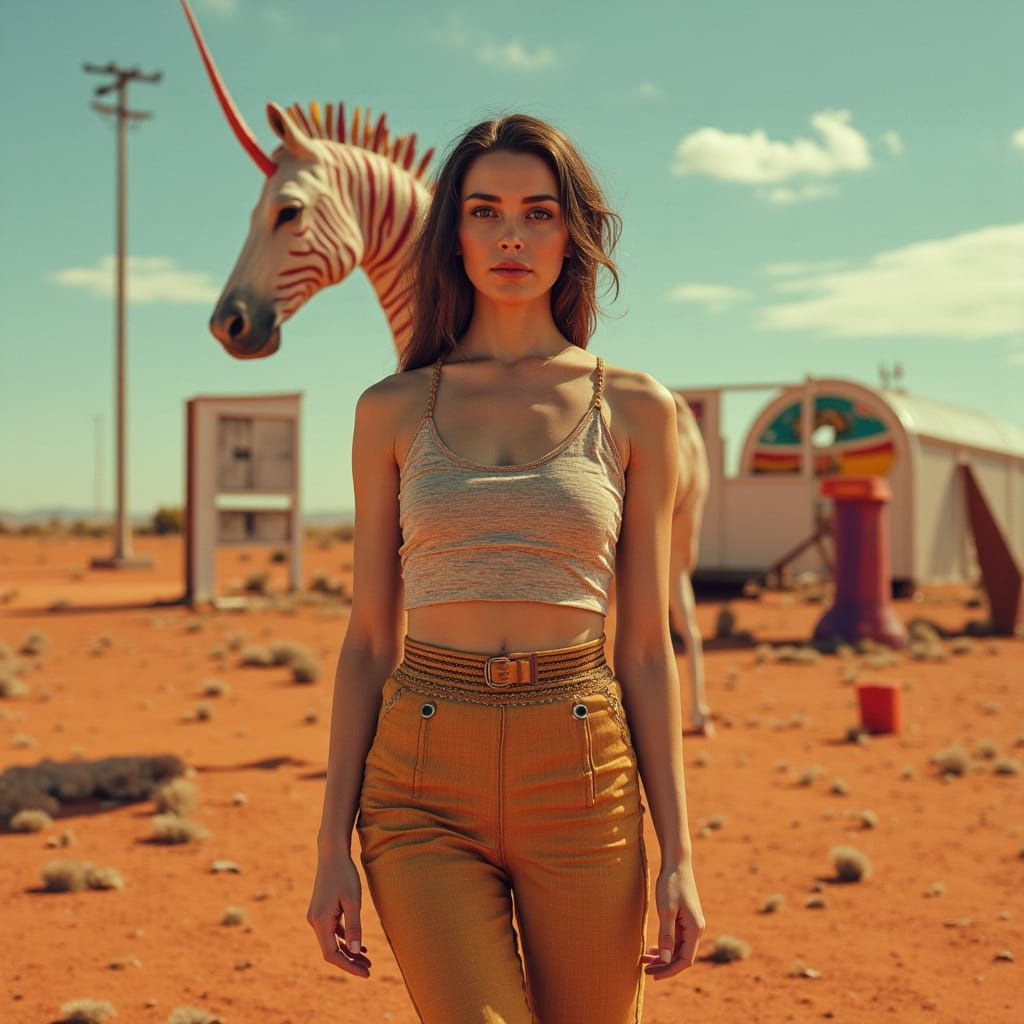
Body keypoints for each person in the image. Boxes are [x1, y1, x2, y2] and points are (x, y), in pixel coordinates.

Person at [307, 112, 705, 1023]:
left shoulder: (637, 408)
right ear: (454, 234)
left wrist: (678, 849)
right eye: (484, 212)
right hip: (419, 783)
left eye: (538, 212)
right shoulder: (392, 409)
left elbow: (644, 649)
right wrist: (331, 842)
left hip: (581, 774)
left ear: (574, 235)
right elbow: (369, 639)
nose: (512, 235)